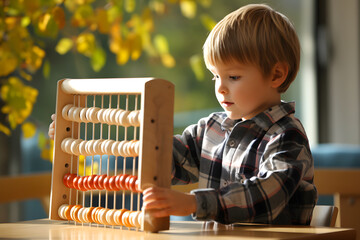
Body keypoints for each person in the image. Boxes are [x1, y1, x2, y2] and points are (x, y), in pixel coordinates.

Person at [49, 4, 317, 225]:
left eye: (233, 76)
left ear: (276, 74)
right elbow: (162, 159)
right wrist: (82, 140)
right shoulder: (211, 130)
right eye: (215, 76)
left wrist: (194, 202)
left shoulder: (286, 135)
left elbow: (269, 193)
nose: (220, 87)